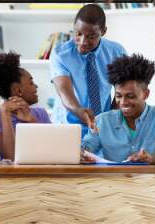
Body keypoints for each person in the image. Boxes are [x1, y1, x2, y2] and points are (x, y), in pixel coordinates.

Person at [49, 3, 127, 137]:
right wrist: (79, 111)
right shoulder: (60, 54)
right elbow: (64, 92)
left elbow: (123, 90)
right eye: (78, 34)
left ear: (103, 31)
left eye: (91, 36)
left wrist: (110, 119)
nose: (83, 41)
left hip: (101, 128)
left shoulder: (117, 52)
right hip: (67, 127)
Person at [81, 54, 155, 164]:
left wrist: (153, 159)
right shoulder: (102, 121)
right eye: (118, 96)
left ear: (146, 94)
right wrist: (82, 153)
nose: (123, 103)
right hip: (114, 180)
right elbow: (87, 147)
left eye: (130, 96)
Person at [0, 52, 51, 160]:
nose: (36, 86)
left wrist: (31, 121)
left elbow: (51, 149)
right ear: (18, 90)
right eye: (31, 82)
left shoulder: (41, 113)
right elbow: (11, 156)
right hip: (11, 176)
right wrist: (5, 113)